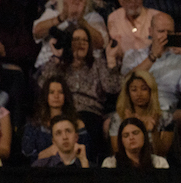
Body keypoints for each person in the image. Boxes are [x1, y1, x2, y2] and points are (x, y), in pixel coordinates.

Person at [36, 21, 122, 161]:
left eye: (85, 40)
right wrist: (57, 57)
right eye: (76, 40)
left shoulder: (97, 63)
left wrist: (111, 60)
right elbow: (43, 85)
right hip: (63, 112)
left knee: (88, 124)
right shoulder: (60, 64)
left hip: (91, 113)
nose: (81, 43)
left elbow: (112, 87)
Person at [134, 12, 181, 168]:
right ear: (150, 32)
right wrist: (153, 57)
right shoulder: (135, 55)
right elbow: (126, 82)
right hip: (138, 106)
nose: (165, 36)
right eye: (161, 31)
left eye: (169, 32)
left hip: (167, 109)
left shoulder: (179, 58)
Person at [32, 0, 106, 70]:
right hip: (50, 66)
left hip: (86, 69)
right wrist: (62, 18)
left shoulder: (93, 17)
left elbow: (101, 43)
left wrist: (81, 20)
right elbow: (36, 33)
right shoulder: (52, 14)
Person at [23, 78, 90, 163]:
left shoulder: (77, 124)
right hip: (42, 171)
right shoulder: (35, 124)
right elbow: (27, 156)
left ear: (65, 96)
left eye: (60, 92)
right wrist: (48, 153)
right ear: (45, 96)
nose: (56, 96)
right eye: (51, 92)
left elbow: (87, 154)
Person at [108, 69, 166, 154]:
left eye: (144, 89)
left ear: (151, 91)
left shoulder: (163, 117)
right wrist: (127, 125)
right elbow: (117, 151)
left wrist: (154, 132)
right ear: (128, 93)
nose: (139, 94)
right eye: (134, 90)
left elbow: (162, 153)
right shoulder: (118, 118)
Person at [108, 0, 157, 74]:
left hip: (153, 69)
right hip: (126, 72)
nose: (133, 1)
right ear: (120, 1)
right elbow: (116, 51)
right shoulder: (113, 18)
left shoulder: (156, 17)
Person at [101, 116, 168, 168]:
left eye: (135, 133)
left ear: (144, 136)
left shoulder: (159, 163)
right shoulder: (110, 164)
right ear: (121, 141)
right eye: (126, 135)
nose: (131, 137)